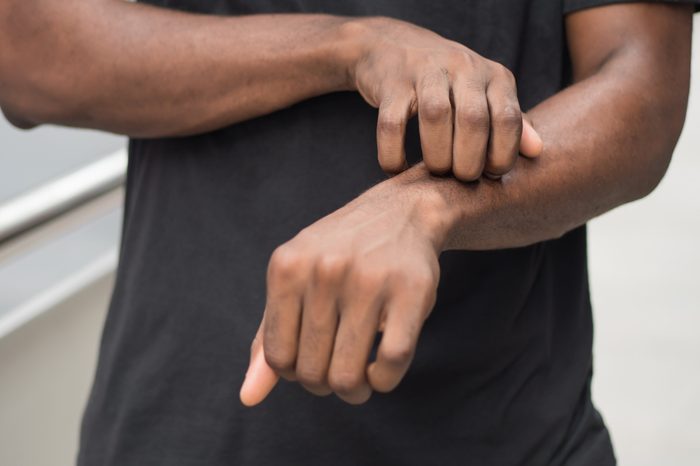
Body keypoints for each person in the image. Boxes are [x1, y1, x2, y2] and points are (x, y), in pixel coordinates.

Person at [1, 1, 697, 464]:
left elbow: (641, 87)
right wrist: (348, 48)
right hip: (179, 430)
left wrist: (425, 209)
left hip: (508, 436)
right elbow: (25, 54)